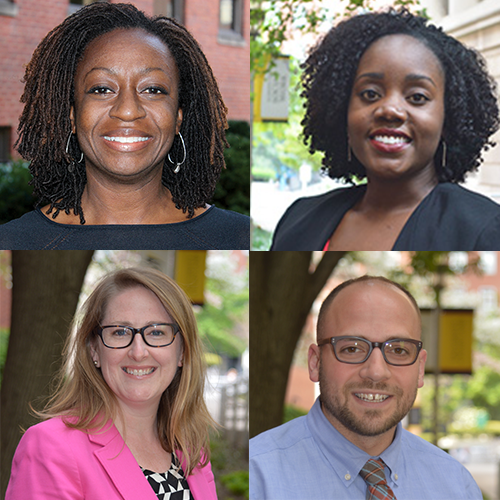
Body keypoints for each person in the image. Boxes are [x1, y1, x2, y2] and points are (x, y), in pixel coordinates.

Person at [0, 2, 249, 250]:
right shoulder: (14, 240)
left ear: (178, 119)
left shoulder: (237, 236)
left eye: (152, 89)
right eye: (102, 89)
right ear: (72, 118)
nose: (128, 110)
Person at [270, 8, 500, 251]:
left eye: (417, 97)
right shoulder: (299, 219)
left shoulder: (484, 229)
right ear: (341, 112)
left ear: (448, 117)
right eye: (370, 94)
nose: (390, 110)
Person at [250, 276, 482, 499]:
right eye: (352, 348)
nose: (376, 372)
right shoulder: (259, 477)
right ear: (315, 363)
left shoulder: (457, 485)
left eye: (399, 350)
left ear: (420, 369)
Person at [6, 267, 217, 499]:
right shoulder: (51, 446)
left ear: (182, 352)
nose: (138, 352)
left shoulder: (191, 450)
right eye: (120, 332)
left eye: (157, 332)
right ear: (94, 349)